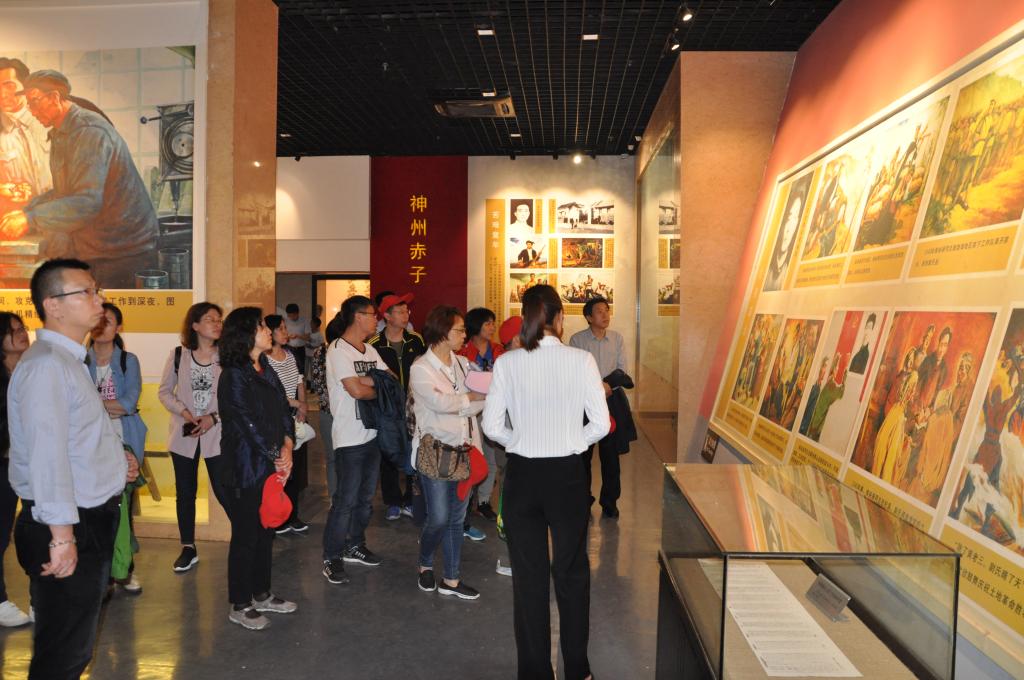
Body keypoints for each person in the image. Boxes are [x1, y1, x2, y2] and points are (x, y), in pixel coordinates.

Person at [9, 258, 139, 677]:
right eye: (87, 292)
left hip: (84, 519)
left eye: (96, 290)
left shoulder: (67, 360)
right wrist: (62, 537)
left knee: (72, 648)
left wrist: (117, 460)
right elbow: (47, 456)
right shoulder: (47, 364)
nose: (99, 300)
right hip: (68, 525)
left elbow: (75, 438)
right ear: (53, 305)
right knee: (63, 655)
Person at [482, 284, 609, 680]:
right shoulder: (581, 360)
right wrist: (573, 441)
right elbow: (600, 424)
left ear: (527, 318)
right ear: (559, 318)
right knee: (571, 572)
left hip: (523, 475)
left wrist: (518, 440)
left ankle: (535, 672)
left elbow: (491, 426)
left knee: (528, 578)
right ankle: (578, 670)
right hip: (567, 475)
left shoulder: (507, 362)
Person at [0, 71, 158, 285]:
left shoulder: (89, 131)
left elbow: (86, 202)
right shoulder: (61, 132)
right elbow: (64, 192)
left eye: (35, 102)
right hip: (98, 246)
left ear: (54, 97)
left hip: (123, 251)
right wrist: (26, 210)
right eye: (29, 104)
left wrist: (30, 219)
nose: (31, 110)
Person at [217, 306, 296, 631]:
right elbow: (246, 422)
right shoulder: (233, 375)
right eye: (261, 326)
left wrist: (288, 444)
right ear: (245, 334)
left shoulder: (266, 367)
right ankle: (240, 603)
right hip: (245, 467)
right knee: (246, 535)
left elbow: (283, 409)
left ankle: (261, 593)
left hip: (271, 463)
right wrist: (277, 454)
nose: (267, 330)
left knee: (266, 532)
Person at [410, 305, 486, 600]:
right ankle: (425, 563)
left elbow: (480, 402)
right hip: (436, 454)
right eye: (460, 330)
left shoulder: (464, 364)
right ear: (442, 332)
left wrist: (464, 401)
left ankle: (451, 579)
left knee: (456, 518)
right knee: (439, 517)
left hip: (464, 450)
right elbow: (438, 403)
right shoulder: (421, 368)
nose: (465, 335)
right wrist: (468, 399)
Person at [158, 302, 229, 573]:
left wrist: (214, 417)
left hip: (217, 433)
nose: (217, 323)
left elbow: (234, 397)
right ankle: (188, 546)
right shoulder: (179, 355)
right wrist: (184, 411)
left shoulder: (228, 356)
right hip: (184, 433)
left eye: (219, 319)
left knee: (224, 489)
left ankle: (245, 537)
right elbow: (164, 392)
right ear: (195, 325)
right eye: (210, 319)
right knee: (185, 493)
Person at [322, 295, 388, 585]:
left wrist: (369, 382)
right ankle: (332, 556)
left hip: (373, 435)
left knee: (365, 499)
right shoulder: (338, 350)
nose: (376, 320)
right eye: (373, 315)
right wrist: (375, 385)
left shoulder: (370, 350)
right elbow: (356, 391)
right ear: (358, 317)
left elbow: (391, 379)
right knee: (345, 501)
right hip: (349, 438)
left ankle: (355, 544)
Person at [86, 302, 147, 595]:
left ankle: (124, 569)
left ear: (118, 327)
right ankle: (103, 572)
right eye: (98, 320)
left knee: (122, 509)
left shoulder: (127, 361)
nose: (101, 326)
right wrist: (107, 407)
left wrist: (91, 406)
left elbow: (128, 403)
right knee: (95, 511)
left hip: (123, 442)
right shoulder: (79, 360)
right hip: (89, 446)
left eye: (108, 321)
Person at [368, 292, 425, 521]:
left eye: (406, 311)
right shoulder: (374, 344)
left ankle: (411, 500)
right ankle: (392, 501)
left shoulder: (416, 340)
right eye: (400, 312)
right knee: (388, 454)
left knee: (413, 451)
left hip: (414, 407)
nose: (405, 315)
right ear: (387, 316)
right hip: (388, 409)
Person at [569, 296, 626, 518]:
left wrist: (607, 386)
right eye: (599, 311)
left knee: (611, 457)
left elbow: (622, 370)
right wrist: (596, 389)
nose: (605, 315)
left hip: (611, 401)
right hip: (584, 403)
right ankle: (583, 499)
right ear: (589, 317)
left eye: (606, 310)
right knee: (583, 455)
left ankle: (610, 502)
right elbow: (574, 372)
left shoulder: (617, 339)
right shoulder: (577, 340)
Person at [264, 314, 310, 534]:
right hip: (275, 420)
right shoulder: (263, 360)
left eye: (285, 328)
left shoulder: (290, 355)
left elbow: (299, 381)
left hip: (294, 418)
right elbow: (271, 394)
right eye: (281, 329)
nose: (286, 332)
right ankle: (277, 518)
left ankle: (292, 515)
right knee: (278, 470)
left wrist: (303, 405)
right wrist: (297, 403)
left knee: (294, 470)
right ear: (270, 332)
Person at [459, 307, 504, 522]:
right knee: (471, 456)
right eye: (488, 323)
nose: (492, 327)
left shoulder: (499, 350)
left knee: (492, 457)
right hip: (471, 410)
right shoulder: (462, 352)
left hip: (494, 408)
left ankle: (484, 501)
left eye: (493, 323)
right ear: (476, 326)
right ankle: (467, 501)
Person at [0, 312, 30, 626]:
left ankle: (40, 598)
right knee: (1, 533)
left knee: (39, 528)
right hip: (4, 462)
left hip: (33, 461)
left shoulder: (32, 369)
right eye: (13, 330)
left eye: (23, 327)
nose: (22, 333)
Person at [0, 57, 51, 206]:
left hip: (60, 213)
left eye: (9, 86)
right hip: (16, 215)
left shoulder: (51, 121)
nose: (2, 95)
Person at [311, 315, 342, 497]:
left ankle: (335, 498)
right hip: (338, 412)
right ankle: (340, 498)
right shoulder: (339, 353)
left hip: (326, 410)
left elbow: (317, 383)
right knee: (341, 458)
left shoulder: (319, 352)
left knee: (332, 458)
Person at [283, 303, 311, 378]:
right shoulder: (285, 321)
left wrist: (298, 336)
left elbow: (308, 337)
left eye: (293, 315)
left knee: (300, 370)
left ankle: (301, 384)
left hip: (300, 349)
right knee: (289, 370)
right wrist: (288, 337)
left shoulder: (305, 320)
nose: (291, 317)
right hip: (288, 348)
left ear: (297, 313)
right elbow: (282, 336)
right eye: (289, 315)